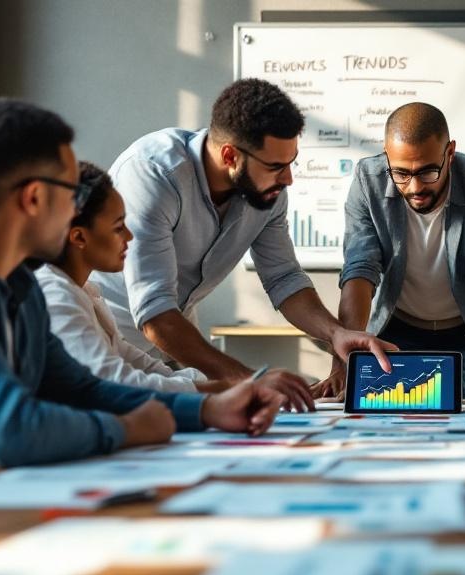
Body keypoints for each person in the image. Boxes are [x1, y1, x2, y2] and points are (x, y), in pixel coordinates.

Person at [0, 99, 283, 501]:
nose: (76, 211)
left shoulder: (18, 277)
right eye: (72, 193)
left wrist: (207, 408)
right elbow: (8, 429)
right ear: (34, 198)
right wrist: (124, 430)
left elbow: (80, 389)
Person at [90, 78, 394, 411]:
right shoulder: (154, 174)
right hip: (105, 344)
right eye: (276, 166)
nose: (288, 179)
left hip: (169, 349)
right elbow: (155, 314)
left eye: (291, 163)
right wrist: (251, 380)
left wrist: (334, 333)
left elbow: (284, 279)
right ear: (230, 155)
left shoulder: (266, 191)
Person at [326, 102, 465, 402]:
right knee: (382, 426)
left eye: (428, 171)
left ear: (450, 153)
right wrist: (341, 366)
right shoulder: (368, 181)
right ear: (386, 156)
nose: (414, 187)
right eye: (401, 173)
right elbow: (359, 274)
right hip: (395, 331)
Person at [36, 162, 230, 393]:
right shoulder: (55, 295)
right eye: (118, 228)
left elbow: (141, 367)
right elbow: (113, 382)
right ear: (79, 237)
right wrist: (210, 390)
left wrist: (224, 384)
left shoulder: (86, 292)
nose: (129, 236)